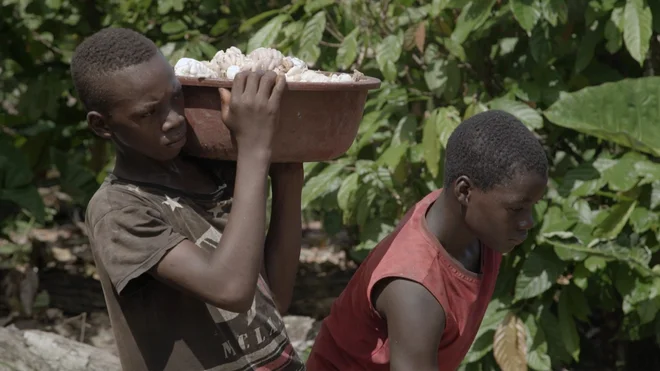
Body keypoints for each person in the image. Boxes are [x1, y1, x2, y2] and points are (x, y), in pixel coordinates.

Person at [73, 27, 306, 370]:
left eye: (176, 96)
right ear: (101, 125)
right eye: (147, 113)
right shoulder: (118, 210)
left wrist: (287, 174)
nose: (174, 119)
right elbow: (231, 290)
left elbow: (274, 300)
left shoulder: (211, 168)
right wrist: (255, 148)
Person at [306, 110, 549, 371]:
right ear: (465, 191)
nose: (528, 222)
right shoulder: (416, 289)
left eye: (532, 206)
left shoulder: (471, 224)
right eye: (516, 209)